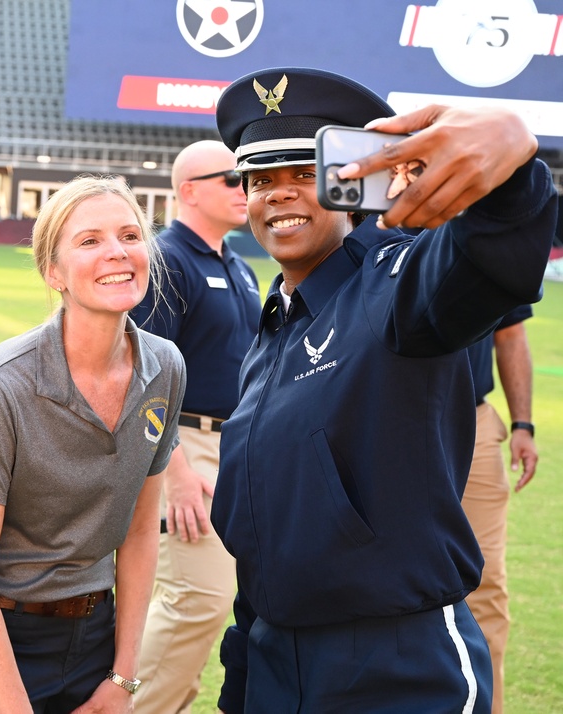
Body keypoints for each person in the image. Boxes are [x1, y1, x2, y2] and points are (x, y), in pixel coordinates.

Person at [208, 67, 557, 713]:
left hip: (393, 665)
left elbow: (491, 256)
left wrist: (512, 159)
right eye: (261, 180)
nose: (280, 195)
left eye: (305, 174)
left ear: (351, 186)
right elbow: (262, 534)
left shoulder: (393, 280)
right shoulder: (272, 328)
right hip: (274, 657)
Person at [0, 176, 187, 713]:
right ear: (54, 271)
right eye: (90, 241)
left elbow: (141, 534)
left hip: (95, 635)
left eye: (129, 235)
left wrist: (123, 679)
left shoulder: (165, 366)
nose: (117, 252)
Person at [128, 140, 260, 714]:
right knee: (196, 600)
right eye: (232, 179)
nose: (246, 189)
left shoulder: (238, 263)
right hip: (184, 446)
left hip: (236, 448)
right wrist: (176, 471)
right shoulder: (167, 259)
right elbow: (141, 373)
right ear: (188, 191)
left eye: (248, 179)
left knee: (216, 603)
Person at [463, 307, 538, 714]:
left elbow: (509, 333)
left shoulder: (484, 243)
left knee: (486, 583)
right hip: (383, 421)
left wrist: (523, 425)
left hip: (472, 424)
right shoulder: (364, 240)